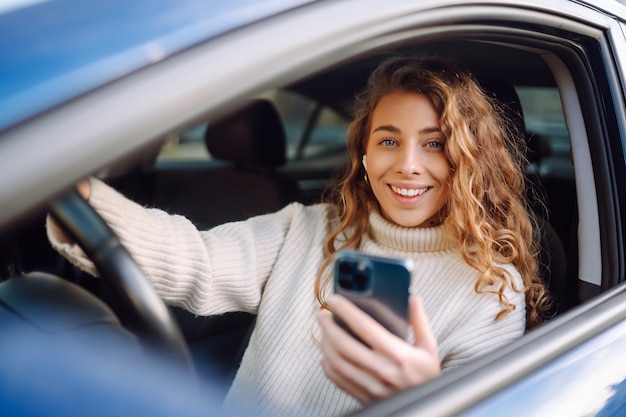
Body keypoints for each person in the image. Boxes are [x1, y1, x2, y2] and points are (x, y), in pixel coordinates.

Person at [47, 55, 551, 417]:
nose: (407, 165)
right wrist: (81, 198)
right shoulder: (307, 228)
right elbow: (195, 259)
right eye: (388, 140)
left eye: (435, 143)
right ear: (365, 154)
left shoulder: (492, 290)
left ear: (467, 158)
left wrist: (423, 398)